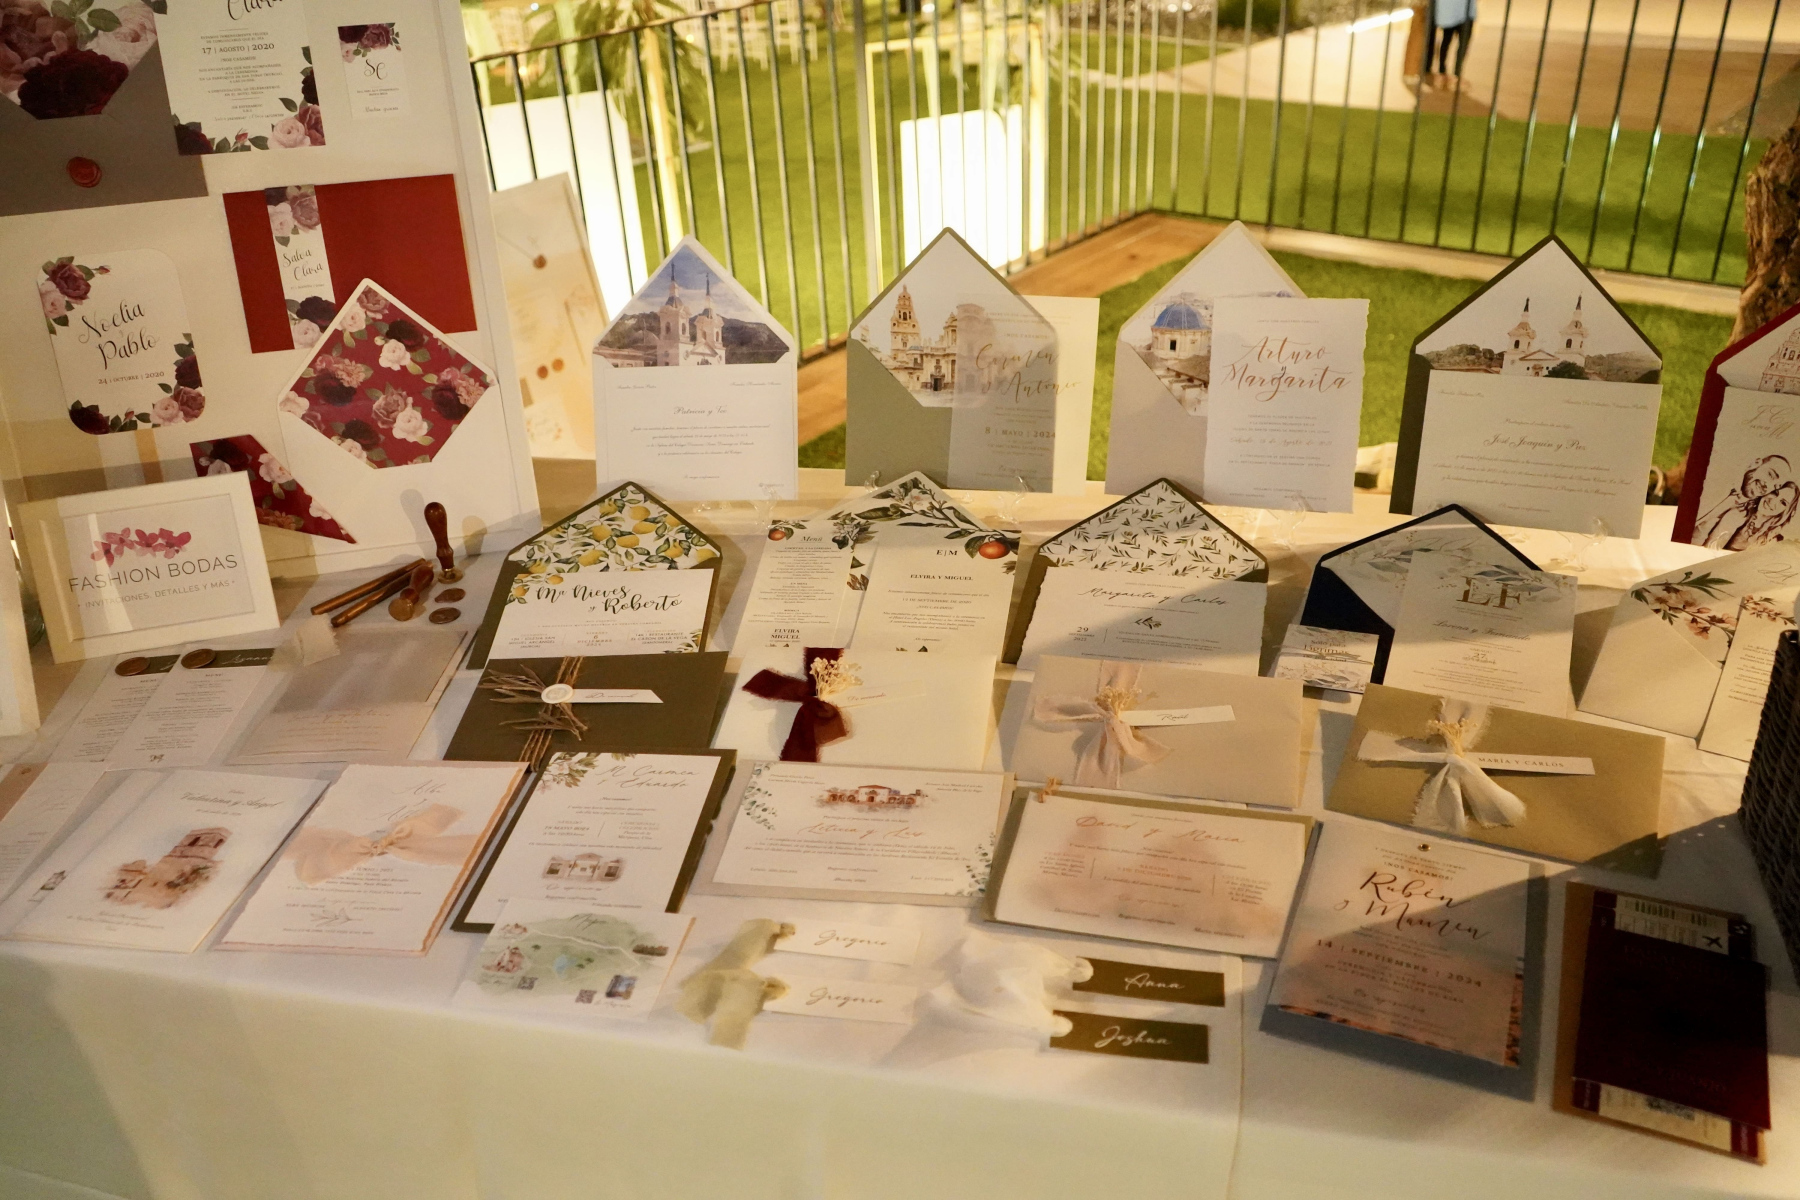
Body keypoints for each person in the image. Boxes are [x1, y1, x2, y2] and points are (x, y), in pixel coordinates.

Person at [1694, 454, 1790, 548]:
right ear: (1756, 463)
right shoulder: (1720, 475)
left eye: (1775, 486)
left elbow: (1710, 547)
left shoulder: (1741, 515)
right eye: (1770, 475)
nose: (1768, 486)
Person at [1427, 0, 1476, 88]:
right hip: (1459, 12)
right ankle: (1454, 73)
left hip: (1450, 12)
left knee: (1447, 41)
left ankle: (1445, 71)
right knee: (1459, 44)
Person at [1742, 480, 1800, 547]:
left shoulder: (1773, 539)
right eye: (1775, 493)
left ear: (1786, 512)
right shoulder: (1740, 513)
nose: (1772, 501)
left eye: (1783, 503)